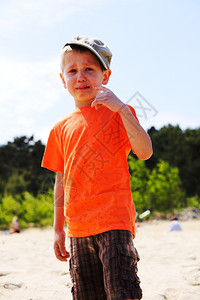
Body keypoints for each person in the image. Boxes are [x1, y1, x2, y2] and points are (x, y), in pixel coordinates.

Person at [42, 35, 153, 300]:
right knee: (86, 294)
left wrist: (122, 108)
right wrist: (58, 229)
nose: (80, 76)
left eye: (89, 69)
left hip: (115, 221)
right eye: (72, 70)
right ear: (62, 80)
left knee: (121, 290)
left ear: (106, 76)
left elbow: (145, 152)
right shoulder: (59, 128)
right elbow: (61, 182)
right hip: (78, 228)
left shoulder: (118, 113)